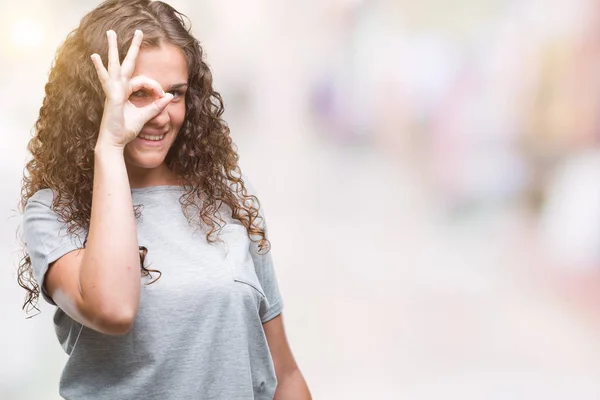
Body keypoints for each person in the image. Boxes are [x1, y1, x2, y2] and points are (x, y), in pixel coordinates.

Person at [17, 1, 311, 399]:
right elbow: (114, 309)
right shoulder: (55, 212)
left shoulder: (224, 198)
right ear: (94, 100)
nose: (160, 115)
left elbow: (284, 375)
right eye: (139, 93)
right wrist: (110, 146)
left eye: (175, 94)